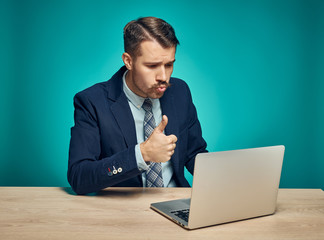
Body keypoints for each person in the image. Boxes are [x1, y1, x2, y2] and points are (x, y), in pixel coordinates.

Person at [68, 16, 207, 195]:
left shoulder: (180, 91)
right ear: (128, 61)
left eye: (169, 64)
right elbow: (79, 177)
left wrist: (223, 176)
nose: (163, 77)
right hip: (122, 213)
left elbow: (194, 153)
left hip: (175, 203)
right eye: (152, 66)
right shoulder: (91, 102)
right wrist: (142, 154)